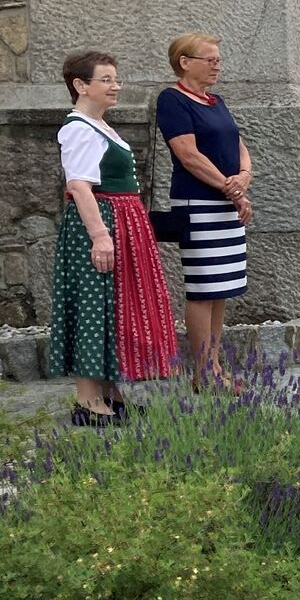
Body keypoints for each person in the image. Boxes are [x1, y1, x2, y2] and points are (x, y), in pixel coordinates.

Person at [49, 51, 180, 424]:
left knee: (112, 306)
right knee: (93, 304)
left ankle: (110, 393)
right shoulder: (78, 128)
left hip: (120, 222)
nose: (115, 86)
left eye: (115, 79)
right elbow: (79, 186)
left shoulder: (99, 125)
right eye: (105, 79)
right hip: (103, 223)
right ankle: (87, 401)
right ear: (80, 85)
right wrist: (100, 236)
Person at [156, 32, 253, 388]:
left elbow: (239, 146)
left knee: (221, 287)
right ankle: (204, 371)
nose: (217, 66)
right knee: (203, 287)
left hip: (226, 203)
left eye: (218, 60)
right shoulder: (172, 100)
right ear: (184, 62)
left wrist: (243, 178)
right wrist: (231, 187)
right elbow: (188, 154)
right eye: (209, 60)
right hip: (198, 203)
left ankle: (214, 367)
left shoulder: (216, 101)